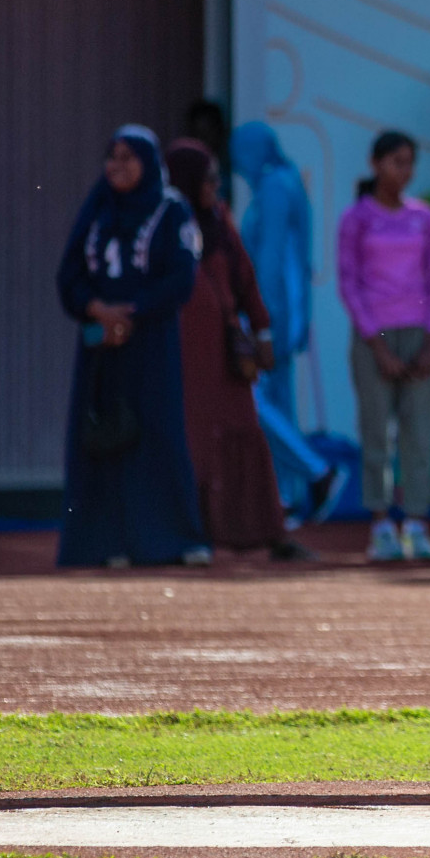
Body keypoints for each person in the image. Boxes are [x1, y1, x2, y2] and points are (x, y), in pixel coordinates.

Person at [55, 126, 210, 568]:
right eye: (112, 157)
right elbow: (68, 275)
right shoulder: (98, 205)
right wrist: (97, 308)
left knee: (156, 432)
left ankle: (173, 539)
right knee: (99, 435)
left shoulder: (171, 208)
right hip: (100, 345)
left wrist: (134, 311)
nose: (118, 167)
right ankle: (102, 543)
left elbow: (182, 276)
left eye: (128, 158)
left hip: (151, 343)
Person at [166, 139, 315, 561]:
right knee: (194, 445)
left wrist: (264, 331)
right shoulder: (165, 225)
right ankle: (195, 535)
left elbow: (246, 280)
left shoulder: (219, 223)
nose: (216, 185)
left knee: (247, 436)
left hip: (227, 355)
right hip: (184, 358)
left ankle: (269, 532)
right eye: (208, 178)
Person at [337, 130, 430, 562]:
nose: (404, 171)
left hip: (417, 334)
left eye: (409, 163)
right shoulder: (357, 218)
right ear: (375, 163)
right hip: (372, 338)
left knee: (418, 433)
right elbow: (349, 282)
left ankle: (416, 524)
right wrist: (377, 346)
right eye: (395, 161)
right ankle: (380, 524)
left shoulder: (424, 217)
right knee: (376, 430)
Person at [230, 121, 344, 521]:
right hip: (281, 311)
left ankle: (315, 472)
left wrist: (262, 321)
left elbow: (273, 261)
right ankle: (286, 496)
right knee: (278, 403)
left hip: (273, 310)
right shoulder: (281, 181)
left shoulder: (276, 187)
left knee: (258, 400)